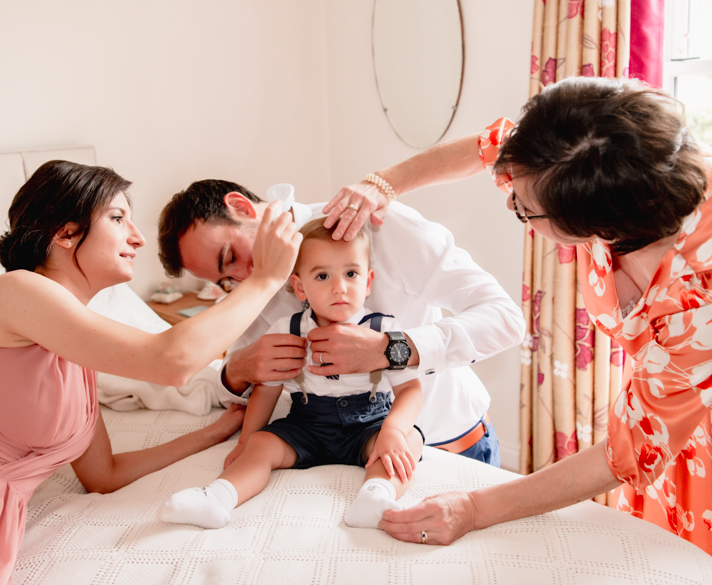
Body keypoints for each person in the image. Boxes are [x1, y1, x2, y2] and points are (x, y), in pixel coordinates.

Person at [324, 77, 712, 583]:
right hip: (680, 390)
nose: (510, 206)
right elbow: (490, 147)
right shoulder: (583, 147)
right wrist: (381, 183)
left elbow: (627, 451)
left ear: (599, 226)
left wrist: (473, 510)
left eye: (524, 211)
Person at [0, 160, 301, 585]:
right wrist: (265, 278)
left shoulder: (75, 359)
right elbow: (170, 361)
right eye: (118, 218)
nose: (136, 237)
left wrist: (216, 432)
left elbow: (104, 476)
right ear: (67, 232)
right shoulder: (16, 291)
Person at [157, 180, 526, 466]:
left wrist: (390, 350)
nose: (243, 276)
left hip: (448, 439)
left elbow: (505, 319)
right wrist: (236, 369)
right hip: (349, 457)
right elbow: (240, 391)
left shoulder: (378, 227)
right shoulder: (252, 287)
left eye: (232, 255)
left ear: (241, 207)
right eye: (227, 280)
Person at [160, 218, 424, 529]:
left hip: (367, 423)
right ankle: (218, 497)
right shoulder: (290, 330)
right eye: (322, 275)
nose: (340, 286)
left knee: (409, 440)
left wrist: (392, 430)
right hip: (307, 424)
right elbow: (267, 390)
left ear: (368, 282)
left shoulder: (383, 331)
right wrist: (245, 442)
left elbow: (411, 390)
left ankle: (377, 495)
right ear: (300, 287)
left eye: (351, 274)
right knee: (261, 444)